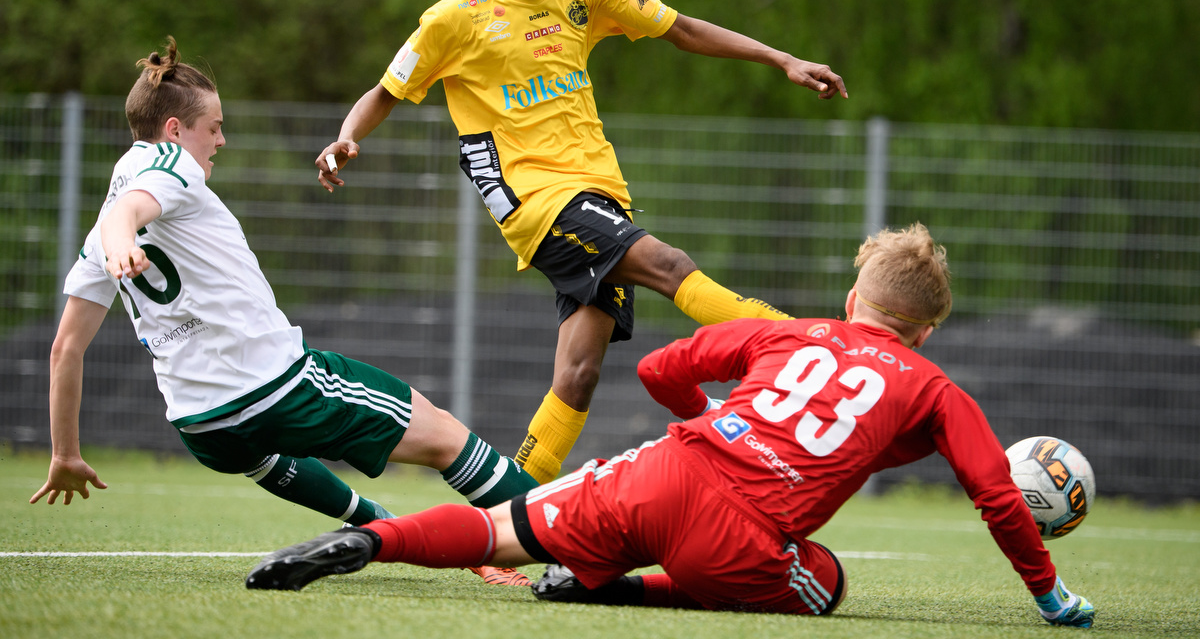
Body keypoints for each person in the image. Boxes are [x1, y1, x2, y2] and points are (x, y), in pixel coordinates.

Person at [246, 223, 1095, 628]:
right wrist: (1048, 595)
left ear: (851, 301)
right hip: (741, 541)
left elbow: (659, 369)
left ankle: (368, 544)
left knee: (500, 530)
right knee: (827, 583)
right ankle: (621, 589)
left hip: (663, 471)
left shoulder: (788, 333)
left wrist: (715, 418)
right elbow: (995, 492)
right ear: (927, 333)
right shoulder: (936, 388)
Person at [315, 0, 849, 486]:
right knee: (669, 265)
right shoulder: (456, 17)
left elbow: (680, 28)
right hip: (532, 199)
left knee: (578, 374)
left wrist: (782, 58)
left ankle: (507, 512)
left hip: (598, 192)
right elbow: (386, 89)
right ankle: (812, 346)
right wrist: (346, 136)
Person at [31, 39, 539, 584]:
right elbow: (129, 213)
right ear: (174, 129)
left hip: (202, 427)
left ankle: (403, 535)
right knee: (446, 438)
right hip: (276, 388)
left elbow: (65, 348)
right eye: (214, 127)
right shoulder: (166, 165)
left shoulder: (102, 220)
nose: (221, 140)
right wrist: (122, 244)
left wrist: (65, 453)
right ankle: (581, 537)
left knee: (264, 453)